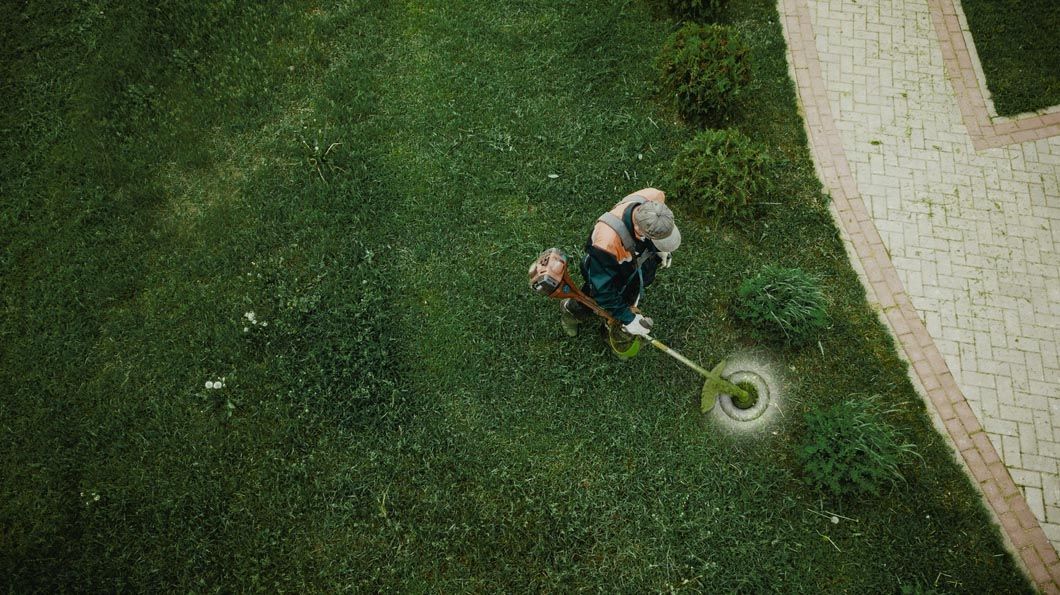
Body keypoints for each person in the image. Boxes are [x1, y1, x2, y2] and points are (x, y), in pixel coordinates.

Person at [560, 188, 681, 356]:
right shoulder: (606, 242)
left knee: (628, 299)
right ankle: (572, 312)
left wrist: (659, 249)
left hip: (635, 266)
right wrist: (629, 318)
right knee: (590, 298)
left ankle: (611, 329)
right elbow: (602, 288)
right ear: (639, 230)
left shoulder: (654, 197)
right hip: (606, 270)